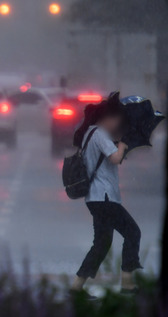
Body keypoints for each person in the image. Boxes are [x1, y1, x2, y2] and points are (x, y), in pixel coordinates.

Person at [70, 94, 141, 296]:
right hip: (104, 197)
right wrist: (124, 145)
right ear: (108, 118)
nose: (118, 124)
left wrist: (118, 144)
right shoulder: (99, 134)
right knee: (132, 232)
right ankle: (127, 283)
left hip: (96, 198)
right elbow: (115, 158)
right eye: (117, 120)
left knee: (101, 243)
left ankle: (76, 286)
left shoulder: (91, 134)